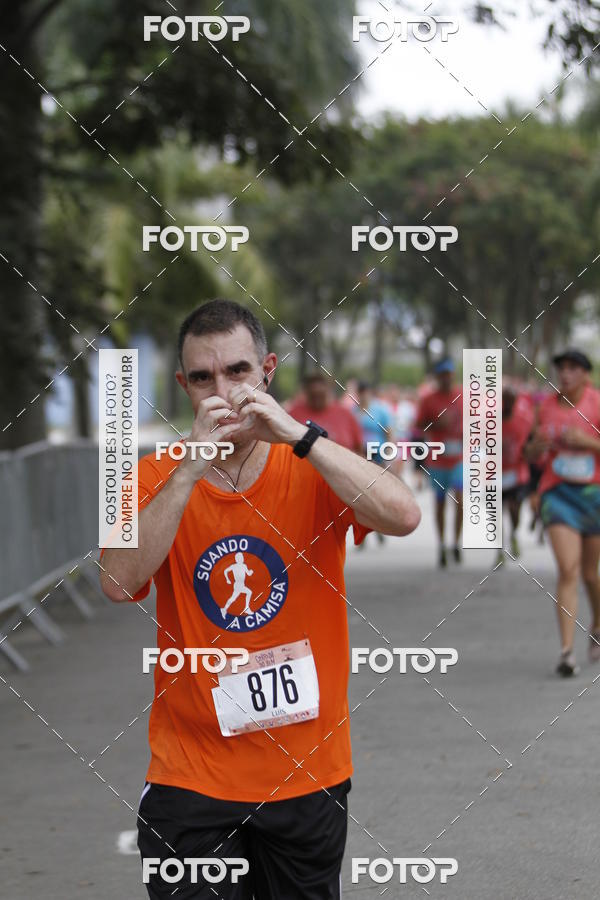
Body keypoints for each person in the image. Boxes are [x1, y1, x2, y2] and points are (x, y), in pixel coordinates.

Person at [99, 298, 421, 899]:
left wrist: (301, 437)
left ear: (268, 370)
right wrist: (189, 470)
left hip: (307, 775)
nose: (223, 391)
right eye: (203, 377)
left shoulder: (311, 466)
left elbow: (404, 515)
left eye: (238, 371)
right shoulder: (151, 476)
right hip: (191, 776)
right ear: (183, 386)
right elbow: (117, 581)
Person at [528, 349, 600, 677]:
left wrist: (589, 441)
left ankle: (597, 623)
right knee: (567, 569)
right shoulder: (545, 407)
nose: (566, 374)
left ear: (587, 375)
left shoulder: (596, 403)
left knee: (589, 574)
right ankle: (567, 652)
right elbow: (530, 451)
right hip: (557, 494)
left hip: (594, 495)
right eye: (562, 368)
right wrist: (535, 450)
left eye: (573, 369)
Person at [416, 358, 463, 567]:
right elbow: (418, 425)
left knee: (460, 499)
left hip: (459, 458)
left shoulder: (463, 396)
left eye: (449, 374)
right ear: (437, 377)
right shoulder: (428, 399)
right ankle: (442, 544)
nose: (446, 378)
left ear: (453, 375)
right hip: (437, 458)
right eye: (442, 374)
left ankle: (456, 542)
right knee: (440, 502)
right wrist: (435, 423)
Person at [499, 384, 534, 562]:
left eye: (511, 401)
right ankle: (499, 551)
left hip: (517, 472)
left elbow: (531, 440)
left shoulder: (524, 420)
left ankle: (513, 533)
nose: (507, 404)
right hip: (496, 473)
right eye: (504, 401)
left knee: (514, 509)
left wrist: (528, 451)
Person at [288, 372, 364, 452]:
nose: (317, 400)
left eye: (320, 395)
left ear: (328, 390)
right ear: (306, 392)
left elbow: (359, 448)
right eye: (313, 395)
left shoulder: (346, 414)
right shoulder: (293, 413)